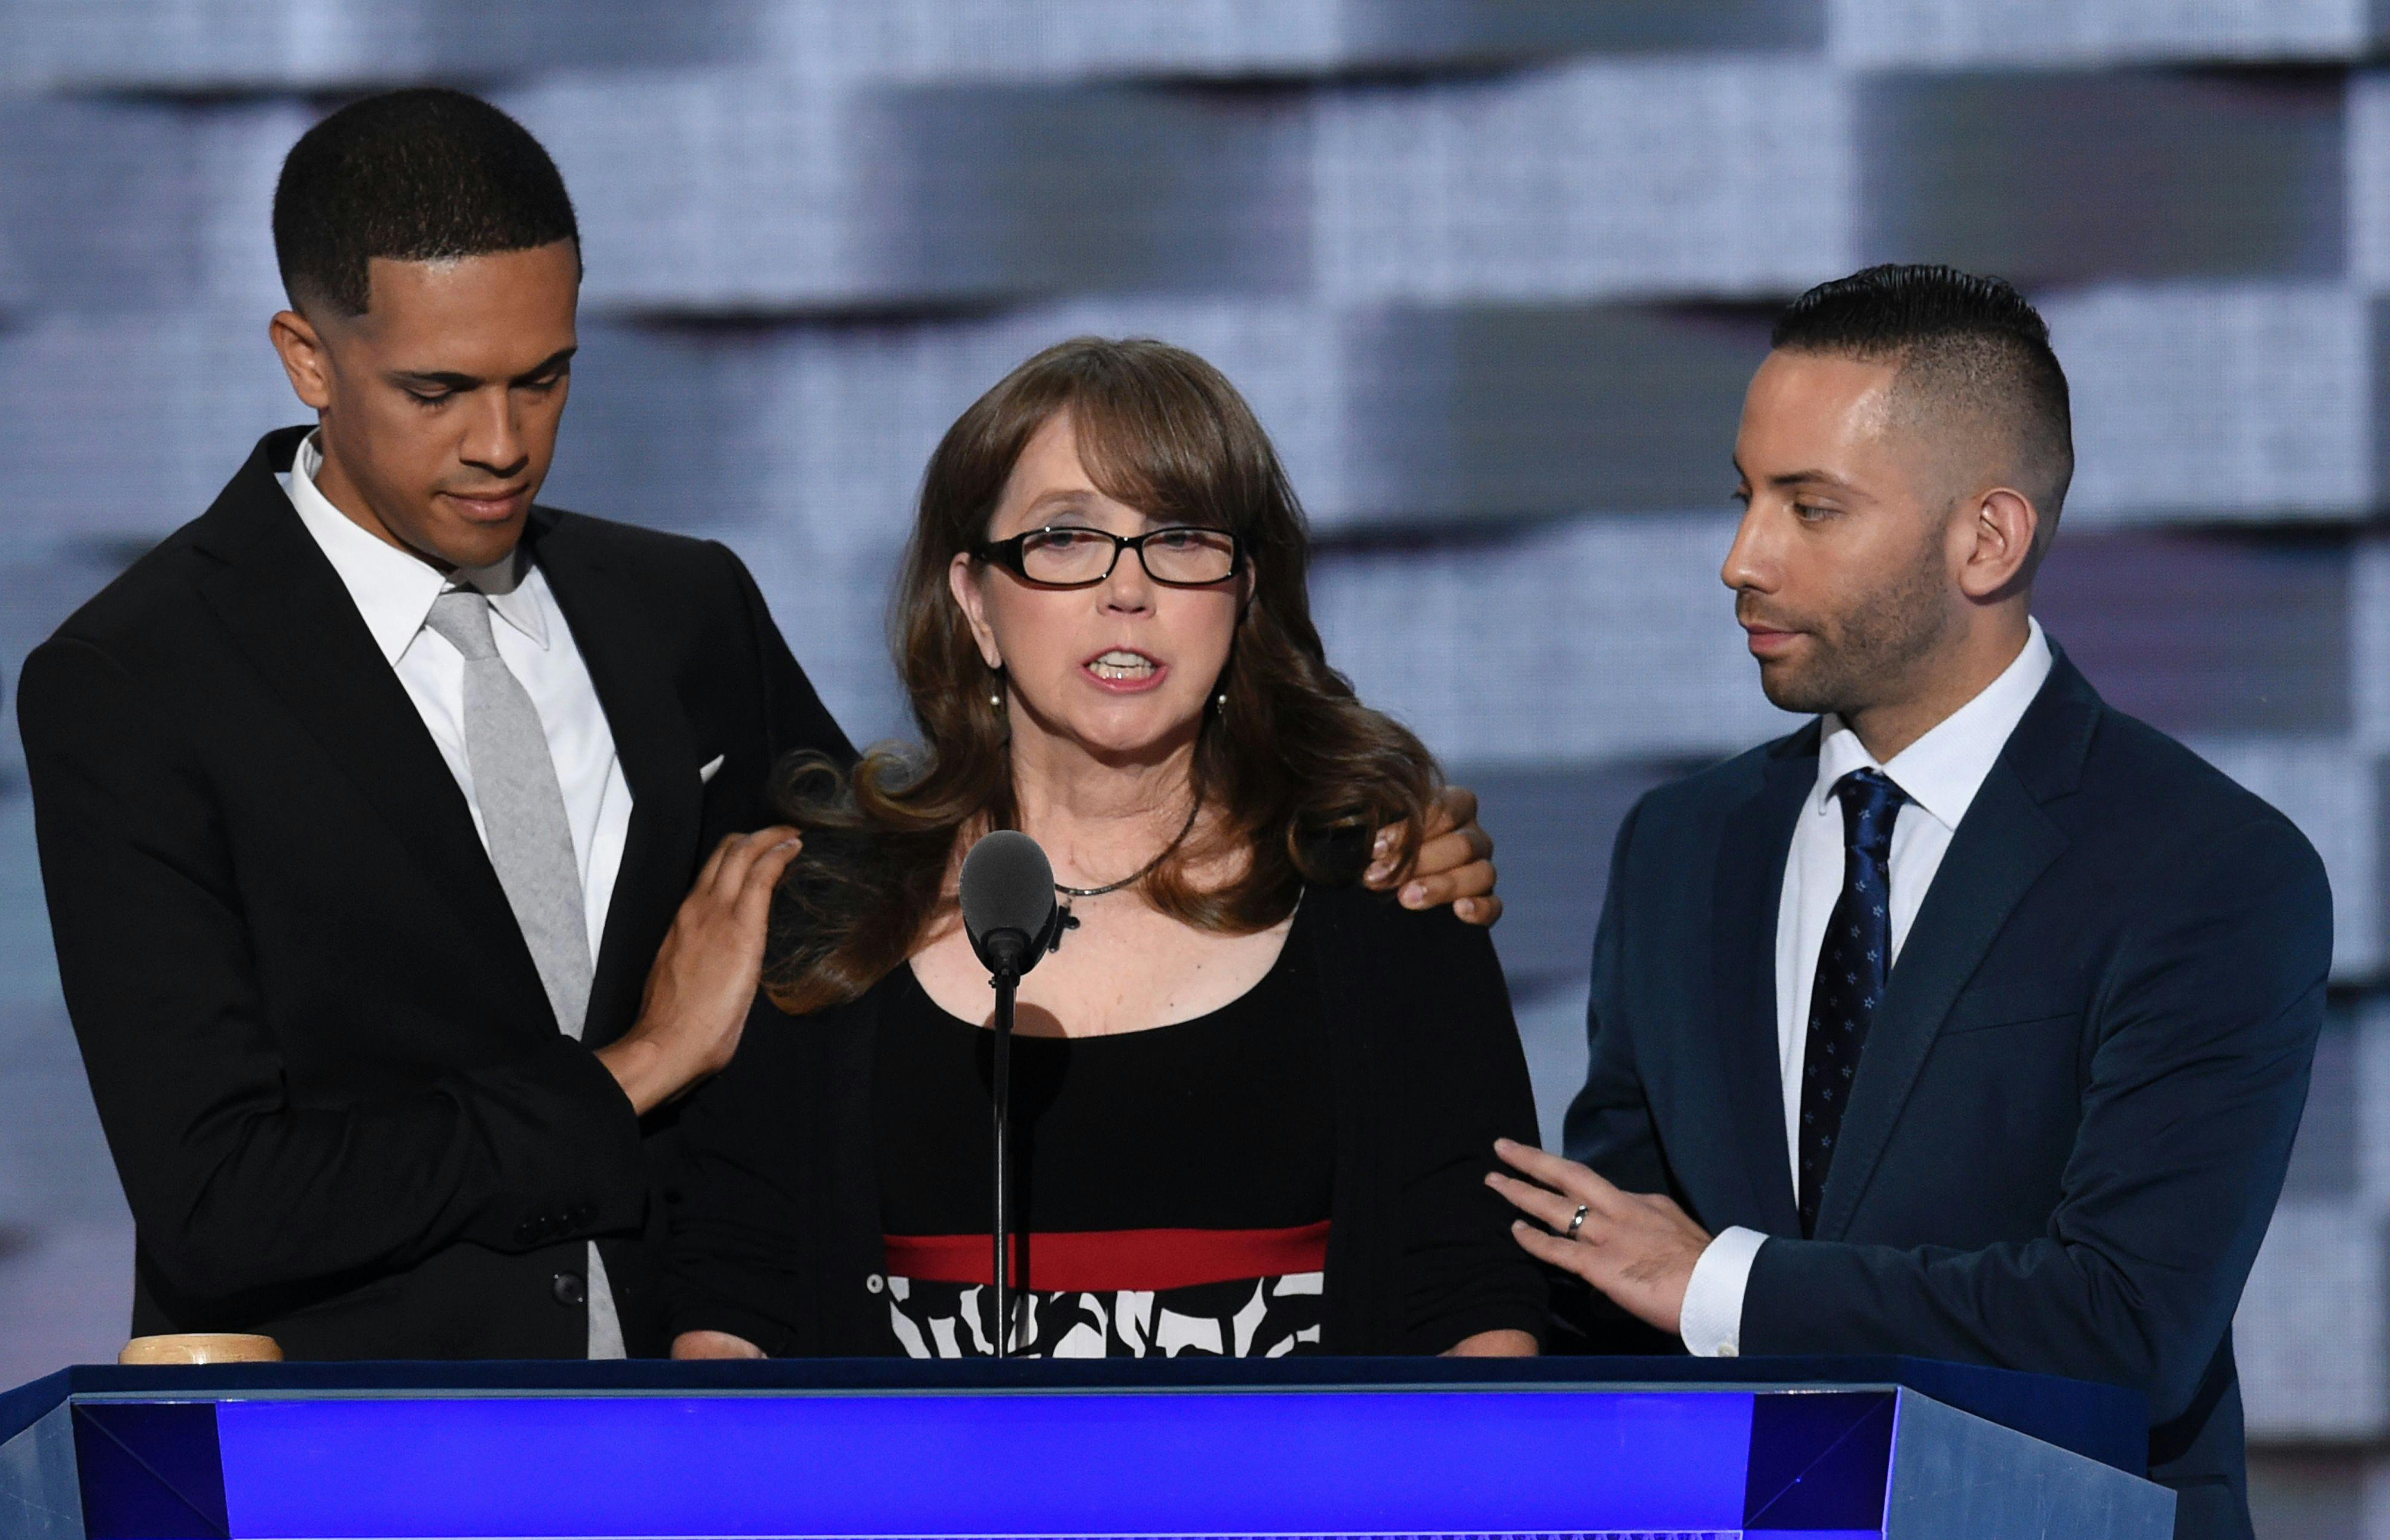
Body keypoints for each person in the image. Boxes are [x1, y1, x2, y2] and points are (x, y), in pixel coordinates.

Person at [19, 90, 1502, 1361]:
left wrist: (1372, 832)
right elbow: (221, 1200)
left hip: (695, 1417)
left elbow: (889, 880)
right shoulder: (138, 678)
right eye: (438, 390)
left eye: (545, 377)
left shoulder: (679, 609)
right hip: (377, 1434)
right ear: (305, 356)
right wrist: (636, 1066)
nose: (502, 441)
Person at [1486, 265, 2328, 1540]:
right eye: (1743, 497)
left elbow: (2123, 1324)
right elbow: (1611, 1273)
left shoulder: (2210, 868)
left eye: (1810, 508)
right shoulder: (1680, 845)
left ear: (1988, 538)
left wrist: (1724, 1282)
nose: (1740, 559)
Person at [664, 338, 1546, 1359]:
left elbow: (1478, 1308)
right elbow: (732, 1308)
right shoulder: (829, 920)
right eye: (1066, 538)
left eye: (1180, 537)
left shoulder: (1388, 899)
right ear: (975, 600)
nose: (1128, 590)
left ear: (1243, 592)